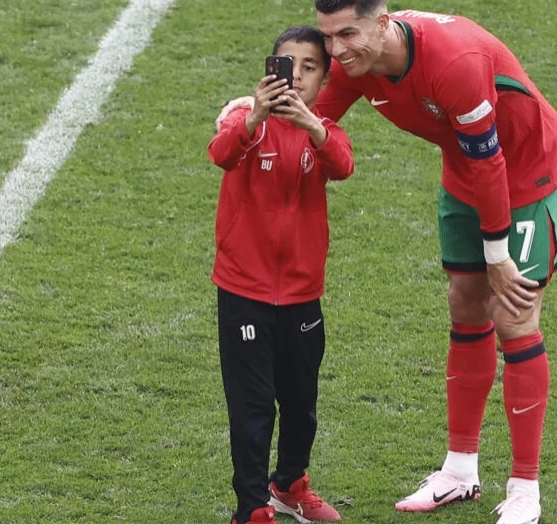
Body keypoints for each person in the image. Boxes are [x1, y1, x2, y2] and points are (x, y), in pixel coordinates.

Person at [217, 2, 557, 523]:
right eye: (328, 37)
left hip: (524, 170)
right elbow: (314, 122)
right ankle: (459, 470)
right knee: (465, 304)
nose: (335, 52)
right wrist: (245, 112)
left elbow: (491, 159)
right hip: (465, 172)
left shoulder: (455, 62)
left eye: (348, 35)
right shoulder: (358, 63)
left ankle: (525, 489)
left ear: (384, 25)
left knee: (514, 314)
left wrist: (497, 255)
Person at [208, 24, 355, 524]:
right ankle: (251, 508)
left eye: (310, 69)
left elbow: (344, 164)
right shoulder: (245, 121)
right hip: (244, 292)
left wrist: (313, 126)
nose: (298, 78)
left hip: (300, 294)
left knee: (300, 402)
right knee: (252, 410)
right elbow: (221, 153)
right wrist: (253, 116)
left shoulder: (324, 130)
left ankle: (289, 484)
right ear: (271, 71)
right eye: (289, 66)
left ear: (324, 81)